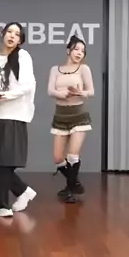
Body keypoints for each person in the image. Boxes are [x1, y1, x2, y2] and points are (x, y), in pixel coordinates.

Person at [0, 22, 38, 218]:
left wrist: (6, 95)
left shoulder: (23, 56)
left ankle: (0, 204)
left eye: (17, 34)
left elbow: (27, 85)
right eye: (9, 32)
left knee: (4, 162)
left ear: (20, 40)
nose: (12, 36)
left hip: (13, 116)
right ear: (2, 34)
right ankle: (22, 190)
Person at [47, 35, 94, 203]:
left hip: (78, 115)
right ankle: (75, 183)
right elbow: (50, 91)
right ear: (68, 51)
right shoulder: (55, 69)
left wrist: (80, 92)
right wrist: (63, 94)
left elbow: (91, 91)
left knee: (73, 154)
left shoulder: (84, 69)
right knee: (58, 158)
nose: (79, 53)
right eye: (76, 49)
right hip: (60, 115)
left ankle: (70, 190)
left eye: (82, 51)